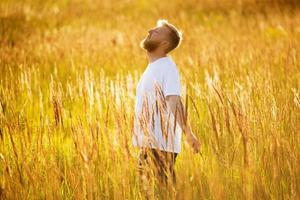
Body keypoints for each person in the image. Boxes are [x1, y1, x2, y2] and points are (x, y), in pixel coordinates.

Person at [132, 19, 201, 187]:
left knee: (162, 193)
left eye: (156, 31)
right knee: (153, 192)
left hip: (160, 147)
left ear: (164, 43)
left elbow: (174, 100)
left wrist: (188, 133)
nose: (149, 30)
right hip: (151, 145)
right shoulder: (153, 67)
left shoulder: (167, 67)